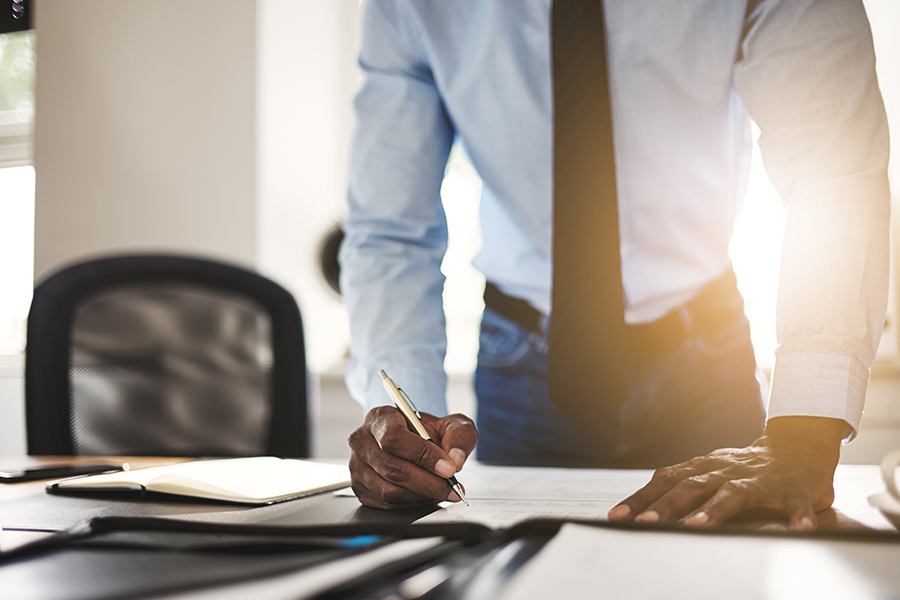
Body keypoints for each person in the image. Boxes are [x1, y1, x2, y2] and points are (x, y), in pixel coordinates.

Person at [338, 0, 890, 530]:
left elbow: (833, 171)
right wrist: (410, 431)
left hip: (707, 358)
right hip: (523, 368)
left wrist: (804, 433)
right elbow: (392, 229)